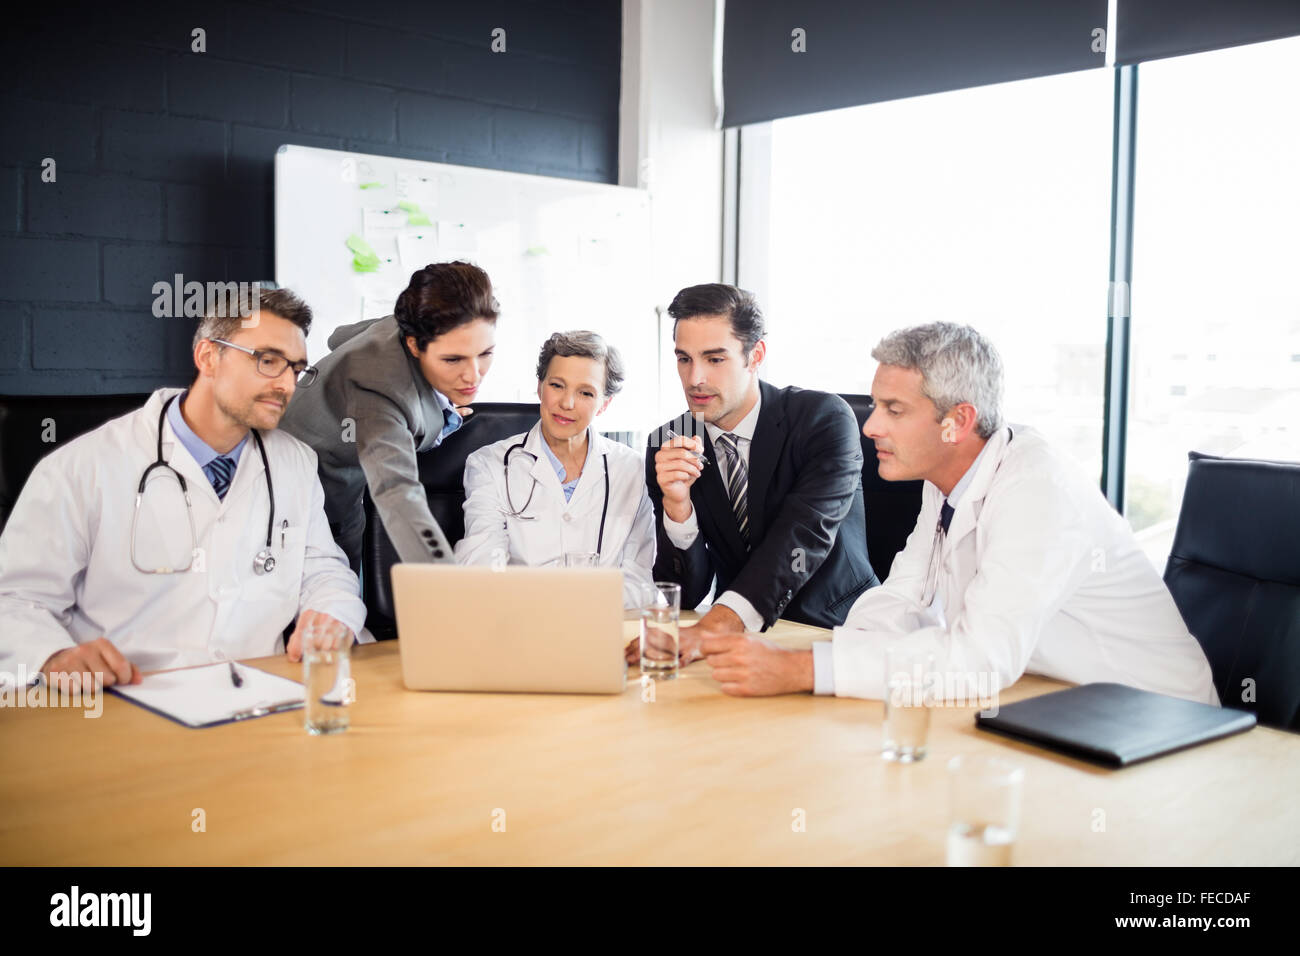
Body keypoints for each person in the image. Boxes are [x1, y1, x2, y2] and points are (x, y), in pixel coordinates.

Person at [699, 322, 1219, 704]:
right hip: (1054, 701)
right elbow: (902, 598)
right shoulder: (948, 482)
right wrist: (830, 661)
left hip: (1157, 719)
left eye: (894, 410)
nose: (870, 427)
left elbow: (979, 660)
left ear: (959, 421)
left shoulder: (1038, 489)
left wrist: (804, 670)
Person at [0, 286, 367, 689]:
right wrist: (53, 655)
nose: (286, 385)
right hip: (131, 699)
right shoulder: (81, 467)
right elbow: (14, 598)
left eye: (296, 369)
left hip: (259, 695)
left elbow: (323, 569)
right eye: (268, 361)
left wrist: (334, 611)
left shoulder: (294, 461)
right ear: (209, 357)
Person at [636, 283, 879, 664]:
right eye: (684, 358)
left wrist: (715, 626)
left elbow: (803, 536)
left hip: (835, 633)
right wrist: (678, 508)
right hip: (733, 644)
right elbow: (686, 590)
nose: (694, 378)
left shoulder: (822, 419)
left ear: (755, 355)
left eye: (715, 359)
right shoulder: (668, 441)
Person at [279, 261, 498, 573]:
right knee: (328, 590)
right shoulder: (381, 391)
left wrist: (437, 410)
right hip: (311, 486)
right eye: (453, 359)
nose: (473, 375)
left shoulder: (407, 321)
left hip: (337, 459)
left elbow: (338, 337)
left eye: (485, 353)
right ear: (414, 345)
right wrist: (448, 586)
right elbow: (398, 495)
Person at [456, 332, 655, 607]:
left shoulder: (633, 470)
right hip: (519, 628)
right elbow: (480, 570)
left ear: (604, 404)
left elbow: (640, 581)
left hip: (600, 628)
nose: (567, 403)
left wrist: (578, 605)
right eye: (557, 385)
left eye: (585, 392)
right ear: (540, 387)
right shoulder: (489, 464)